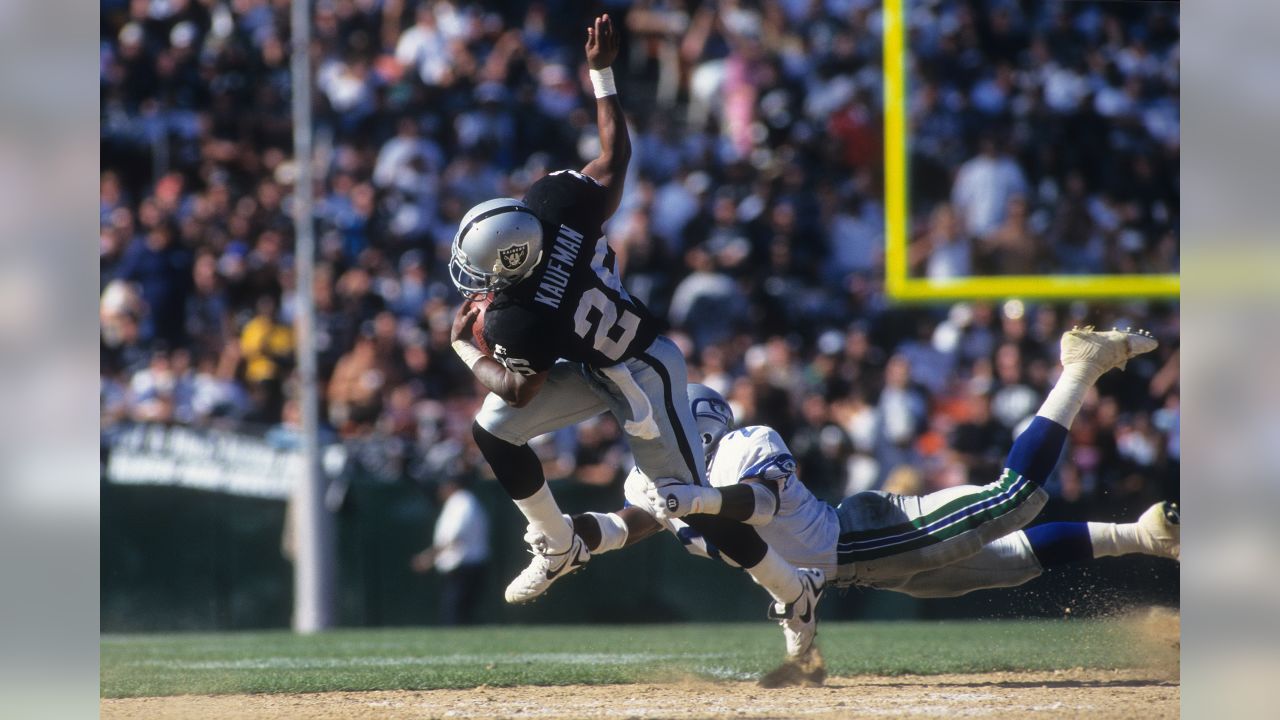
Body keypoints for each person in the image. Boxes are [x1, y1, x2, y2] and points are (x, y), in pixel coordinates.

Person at [445, 14, 822, 653]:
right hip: (598, 362)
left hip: (645, 371)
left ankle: (793, 590)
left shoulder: (516, 316)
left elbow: (519, 388)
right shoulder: (554, 203)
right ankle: (558, 543)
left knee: (684, 503)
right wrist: (602, 73)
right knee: (492, 435)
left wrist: (459, 345)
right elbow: (616, 154)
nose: (471, 279)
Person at [569, 328, 1177, 666]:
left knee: (1013, 497)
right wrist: (576, 534)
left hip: (865, 536)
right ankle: (1145, 535)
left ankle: (1081, 366)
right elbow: (636, 520)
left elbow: (752, 504)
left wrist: (692, 503)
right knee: (1012, 563)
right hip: (855, 568)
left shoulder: (745, 443)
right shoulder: (653, 479)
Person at [411, 477, 491, 626]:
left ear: (451, 486)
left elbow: (453, 537)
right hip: (463, 564)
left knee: (456, 611)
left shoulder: (463, 503)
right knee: (459, 610)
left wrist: (428, 557)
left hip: (464, 564)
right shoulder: (460, 503)